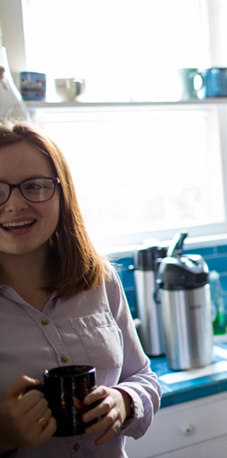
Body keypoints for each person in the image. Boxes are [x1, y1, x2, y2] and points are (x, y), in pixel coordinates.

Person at [0, 121, 161, 457]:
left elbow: (143, 376)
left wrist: (125, 401)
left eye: (36, 186)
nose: (15, 205)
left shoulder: (99, 279)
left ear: (62, 194)